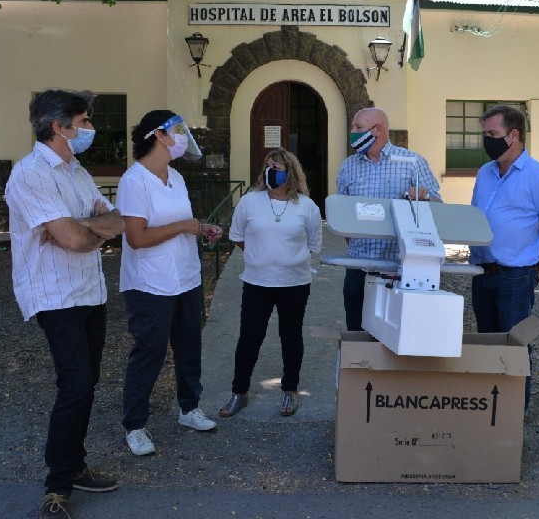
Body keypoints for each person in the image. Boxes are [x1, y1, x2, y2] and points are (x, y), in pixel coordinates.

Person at [5, 89, 125, 519]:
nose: (91, 128)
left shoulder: (77, 171)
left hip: (89, 289)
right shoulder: (30, 174)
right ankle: (57, 487)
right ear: (59, 126)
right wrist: (85, 231)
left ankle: (74, 465)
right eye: (84, 121)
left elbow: (117, 221)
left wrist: (81, 228)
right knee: (75, 384)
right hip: (54, 294)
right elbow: (75, 239)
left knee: (87, 382)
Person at [117, 110, 224, 457]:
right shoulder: (134, 181)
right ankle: (135, 425)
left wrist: (202, 229)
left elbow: (182, 222)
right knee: (149, 352)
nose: (183, 136)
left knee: (189, 346)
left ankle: (189, 409)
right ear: (159, 136)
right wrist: (183, 227)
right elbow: (136, 238)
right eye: (177, 130)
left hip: (186, 277)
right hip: (150, 283)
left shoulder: (175, 176)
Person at [468, 104, 539, 412]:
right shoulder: (485, 172)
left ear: (514, 135)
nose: (487, 140)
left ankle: (512, 414)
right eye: (484, 134)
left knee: (515, 346)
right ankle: (490, 409)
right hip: (481, 272)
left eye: (492, 133)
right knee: (487, 345)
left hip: (515, 276)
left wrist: (538, 267)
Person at [220, 148, 322, 418]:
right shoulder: (249, 202)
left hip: (294, 284)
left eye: (276, 167)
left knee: (291, 337)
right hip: (257, 283)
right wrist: (261, 257)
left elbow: (313, 244)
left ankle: (290, 390)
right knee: (249, 337)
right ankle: (239, 392)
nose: (270, 172)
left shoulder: (307, 207)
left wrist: (284, 259)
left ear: (291, 172)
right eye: (267, 166)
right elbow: (238, 236)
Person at [335, 107, 441, 331]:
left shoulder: (412, 162)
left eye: (358, 127)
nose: (352, 132)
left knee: (392, 335)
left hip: (398, 268)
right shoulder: (348, 166)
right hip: (358, 267)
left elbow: (438, 207)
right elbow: (343, 214)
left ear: (378, 129)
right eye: (353, 127)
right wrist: (355, 243)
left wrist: (424, 197)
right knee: (356, 334)